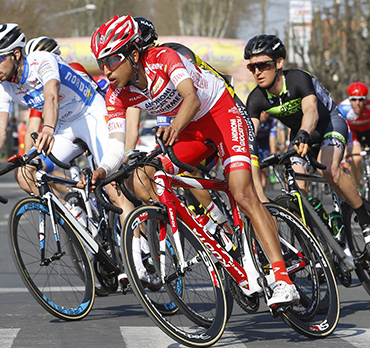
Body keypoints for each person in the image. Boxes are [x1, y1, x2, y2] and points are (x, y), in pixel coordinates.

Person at [86, 14, 300, 308]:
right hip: (190, 129)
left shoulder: (164, 57)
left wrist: (173, 129)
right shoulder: (116, 94)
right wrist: (102, 169)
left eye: (111, 60)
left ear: (133, 54)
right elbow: (116, 142)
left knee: (242, 192)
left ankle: (282, 280)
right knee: (146, 176)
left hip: (222, 114)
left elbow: (192, 99)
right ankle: (214, 229)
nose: (106, 70)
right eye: (101, 63)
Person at [244, 34, 370, 247]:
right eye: (252, 67)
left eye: (263, 65)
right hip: (300, 133)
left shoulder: (297, 79)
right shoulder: (256, 98)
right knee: (297, 193)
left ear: (279, 63)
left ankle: (364, 217)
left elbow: (311, 111)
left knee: (329, 170)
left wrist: (303, 133)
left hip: (328, 123)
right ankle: (317, 247)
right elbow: (248, 134)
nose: (257, 72)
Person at [0, 23, 128, 223]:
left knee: (111, 187)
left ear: (16, 54)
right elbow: (1, 131)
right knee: (25, 175)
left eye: (0, 59)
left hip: (89, 113)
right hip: (64, 126)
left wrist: (48, 130)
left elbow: (51, 96)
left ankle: (140, 251)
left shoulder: (42, 60)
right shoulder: (4, 87)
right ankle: (75, 218)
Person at [337, 82, 370, 186]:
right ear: (349, 99)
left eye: (361, 99)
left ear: (366, 100)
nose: (357, 103)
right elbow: (341, 131)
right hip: (355, 134)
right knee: (356, 159)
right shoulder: (343, 108)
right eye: (354, 99)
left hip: (368, 132)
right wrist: (344, 152)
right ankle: (357, 188)